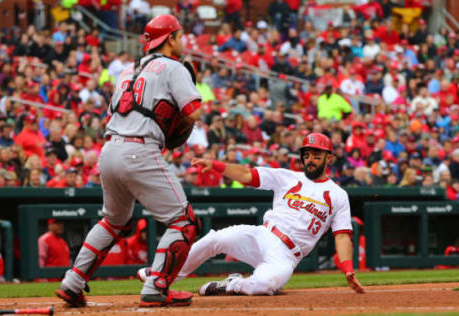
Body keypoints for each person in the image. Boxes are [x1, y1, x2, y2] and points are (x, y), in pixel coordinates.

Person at [56, 14, 202, 308]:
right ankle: (156, 284)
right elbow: (193, 112)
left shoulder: (127, 71)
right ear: (170, 38)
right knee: (184, 222)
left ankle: (72, 282)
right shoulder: (174, 67)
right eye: (180, 35)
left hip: (109, 150)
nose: (183, 40)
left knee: (113, 221)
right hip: (140, 150)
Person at [138, 133, 365, 296]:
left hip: (287, 255)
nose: (310, 159)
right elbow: (247, 174)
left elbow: (342, 235)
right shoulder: (288, 177)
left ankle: (231, 284)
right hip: (262, 236)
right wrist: (215, 165)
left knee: (262, 286)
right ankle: (162, 276)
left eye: (317, 154)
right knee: (214, 238)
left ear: (329, 158)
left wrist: (347, 269)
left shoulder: (337, 194)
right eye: (307, 154)